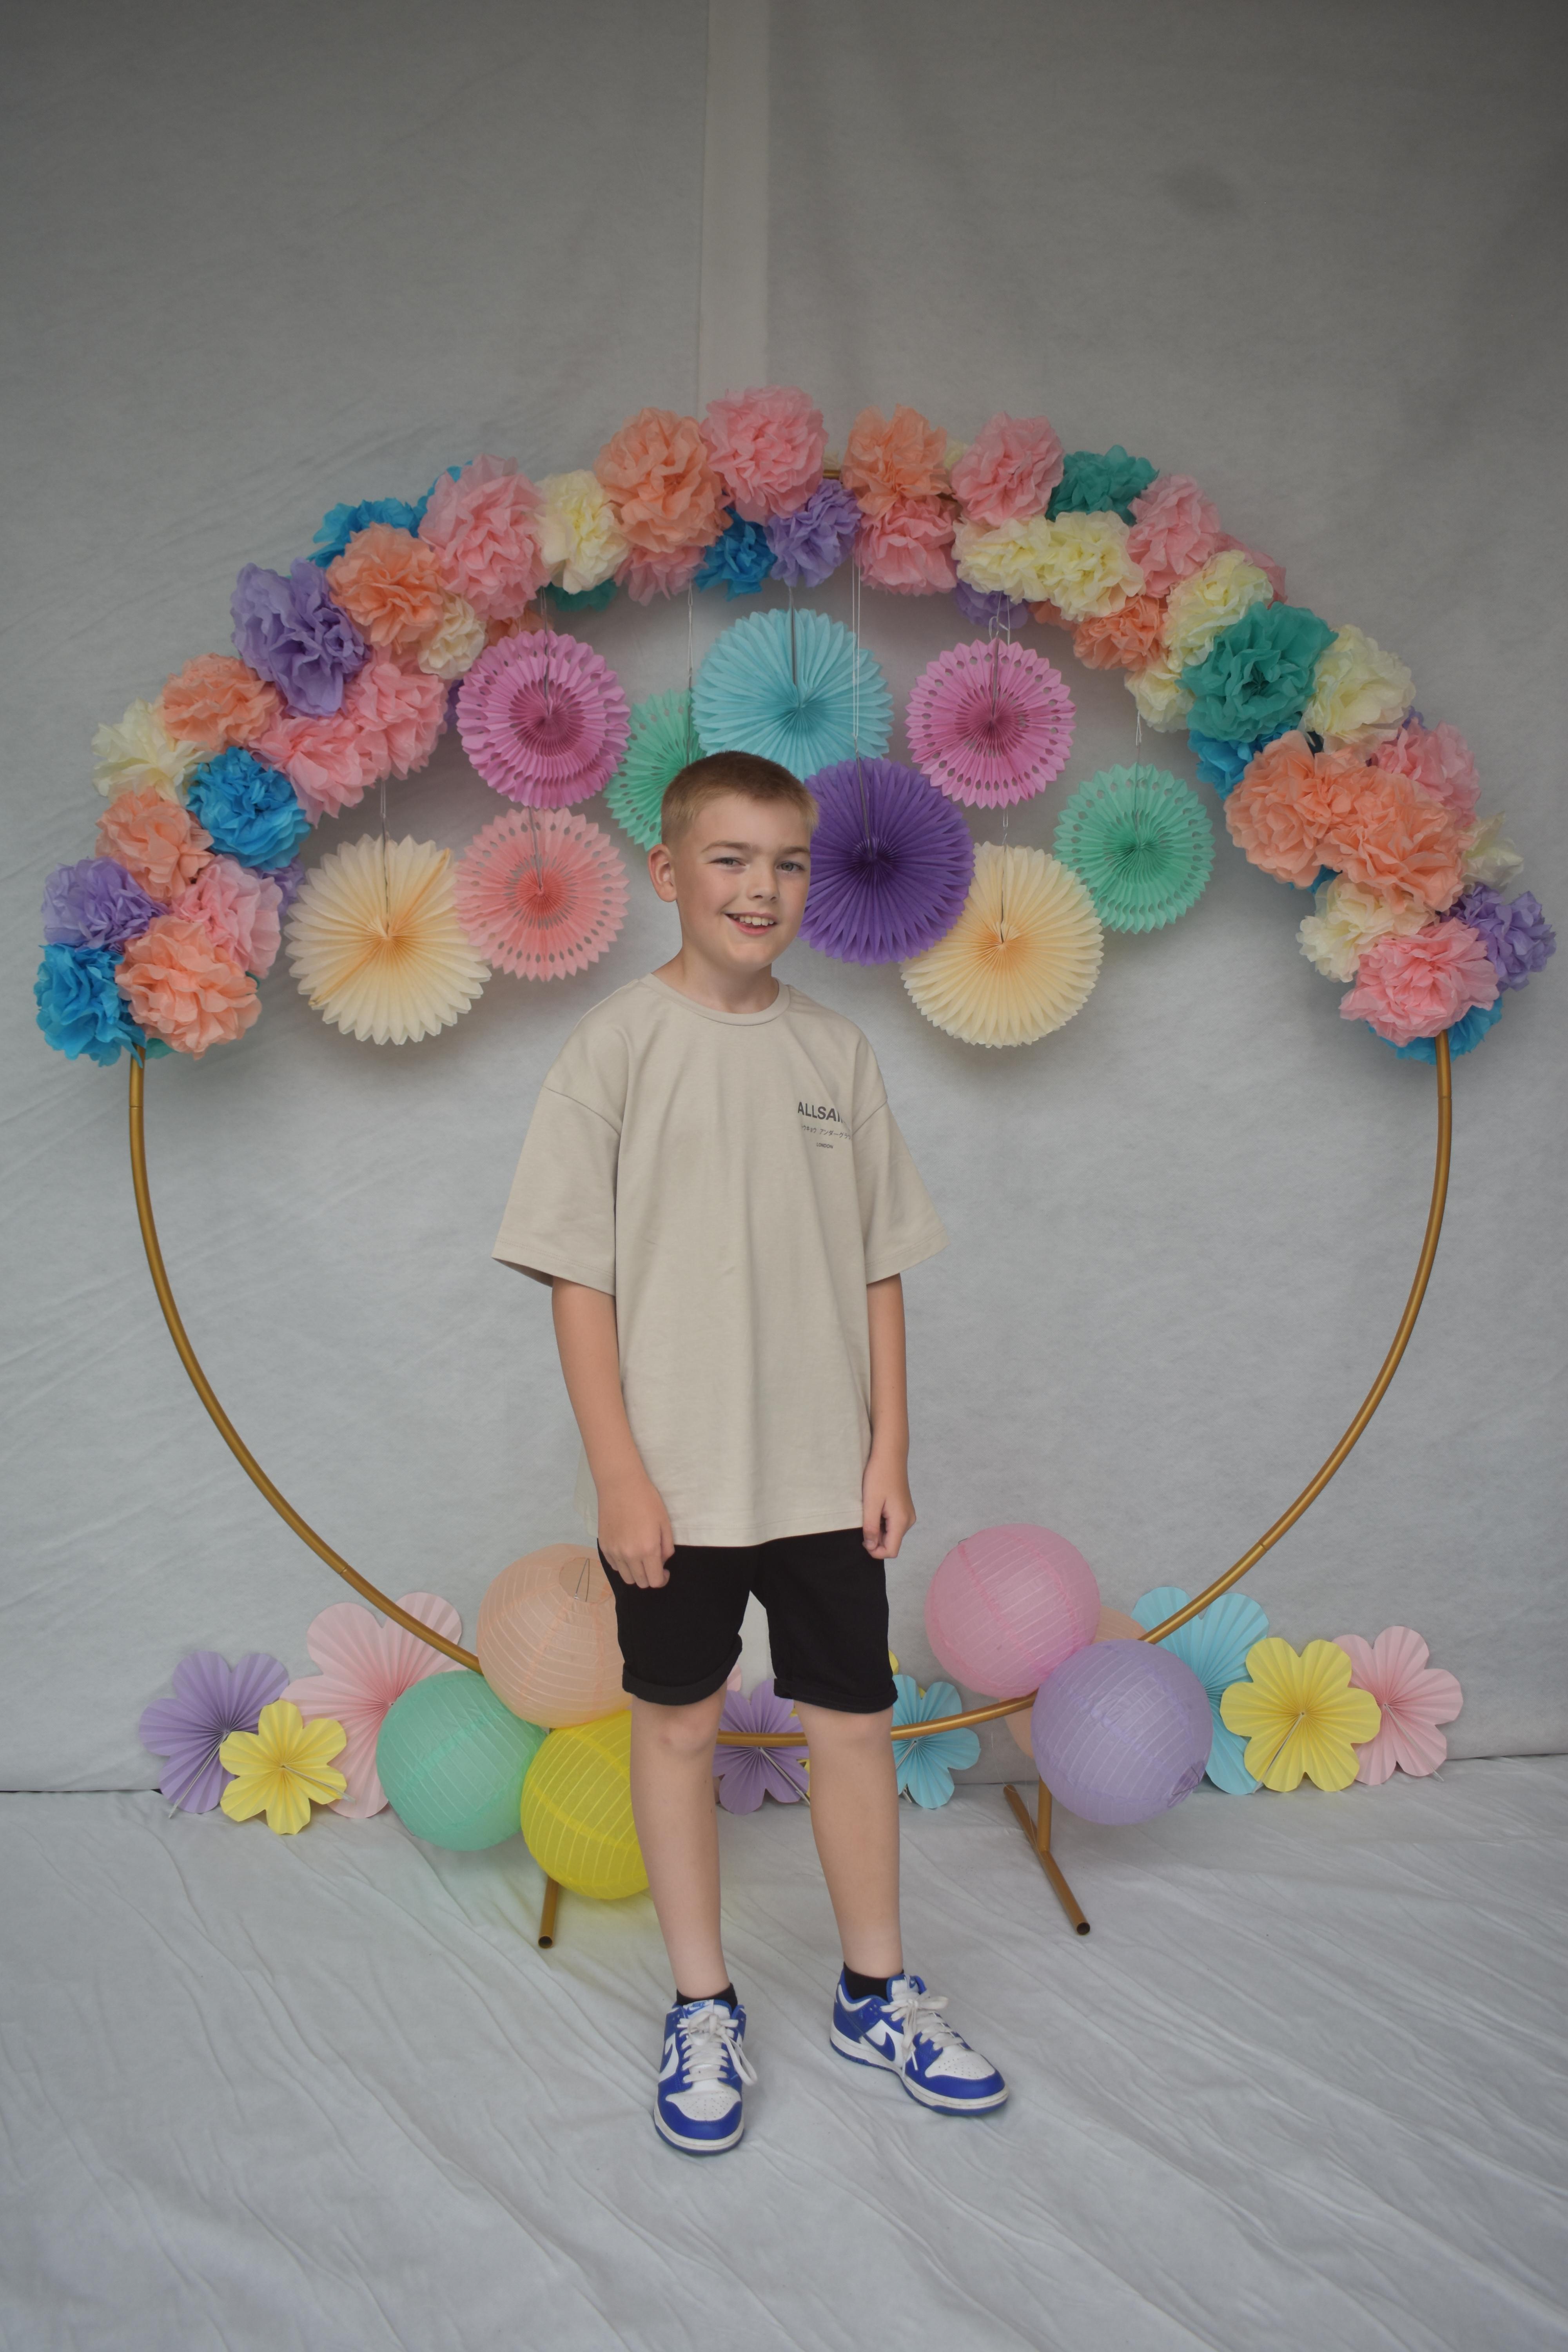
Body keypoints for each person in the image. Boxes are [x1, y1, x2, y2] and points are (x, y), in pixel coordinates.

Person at [492, 749, 1007, 2154]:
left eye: (786, 864)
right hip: (676, 1480)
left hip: (824, 1473)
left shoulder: (837, 1055)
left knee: (854, 1720)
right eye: (729, 860)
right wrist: (620, 1473)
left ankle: (876, 1991)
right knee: (676, 1724)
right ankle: (702, 2002)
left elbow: (880, 1265)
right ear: (669, 872)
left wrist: (890, 1447)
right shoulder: (613, 1049)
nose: (759, 888)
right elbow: (576, 1280)